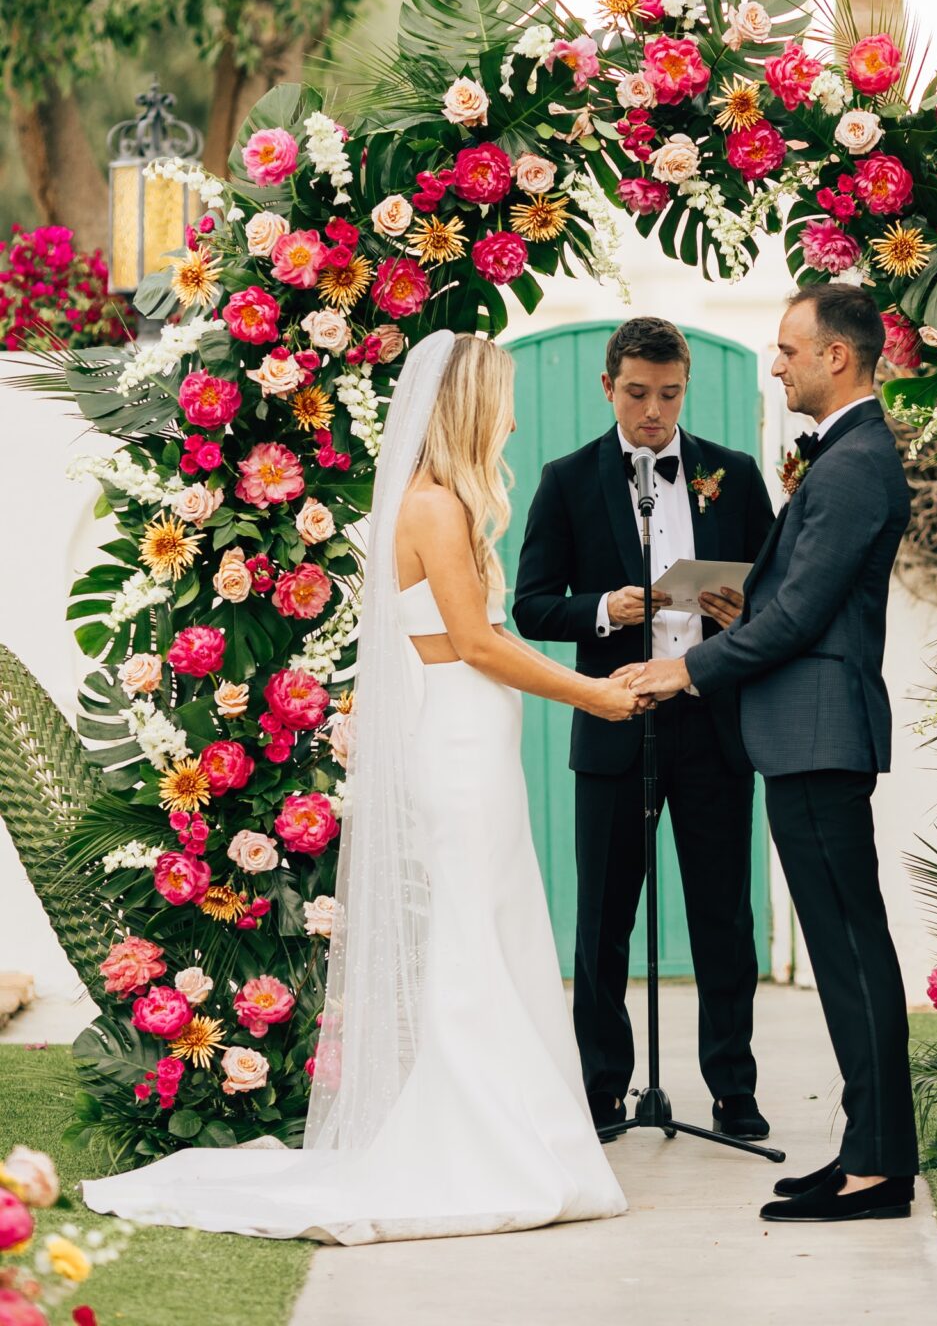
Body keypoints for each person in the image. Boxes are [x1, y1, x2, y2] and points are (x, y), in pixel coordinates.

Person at [83, 332, 633, 1243]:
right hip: (458, 742)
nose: (512, 415)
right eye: (501, 398)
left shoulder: (441, 502)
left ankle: (512, 1131)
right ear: (467, 407)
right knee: (470, 934)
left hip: (472, 739)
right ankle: (483, 1142)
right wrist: (594, 694)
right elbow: (480, 644)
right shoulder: (433, 508)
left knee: (490, 925)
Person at [623, 285, 919, 1224]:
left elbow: (800, 619)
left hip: (819, 732)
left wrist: (687, 671)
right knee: (842, 951)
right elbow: (790, 599)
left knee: (851, 952)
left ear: (839, 356)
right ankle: (865, 1149)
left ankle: (878, 1168)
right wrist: (738, 606)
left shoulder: (856, 463)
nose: (777, 363)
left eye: (789, 348)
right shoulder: (843, 457)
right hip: (805, 733)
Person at [513, 317, 775, 1140]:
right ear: (608, 387)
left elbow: (777, 594)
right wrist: (601, 608)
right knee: (603, 921)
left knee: (724, 918)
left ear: (684, 386)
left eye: (668, 394)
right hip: (614, 723)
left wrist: (740, 611)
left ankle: (733, 1090)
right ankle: (602, 1091)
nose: (653, 411)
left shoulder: (733, 475)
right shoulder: (564, 479)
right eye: (637, 394)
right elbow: (528, 606)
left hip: (712, 725)